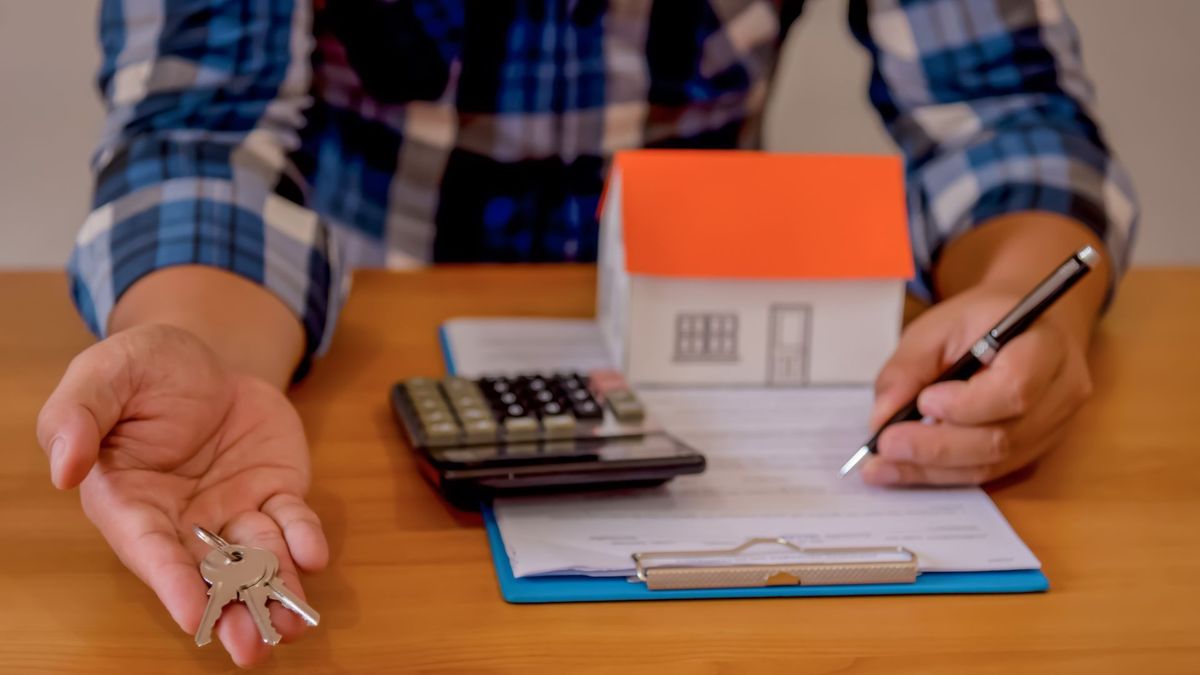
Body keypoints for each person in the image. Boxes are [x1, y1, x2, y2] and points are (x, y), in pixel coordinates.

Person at [36, 0, 1136, 666]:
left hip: (690, 313)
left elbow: (1010, 113)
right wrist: (203, 346)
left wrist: (1027, 295)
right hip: (340, 352)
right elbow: (198, 126)